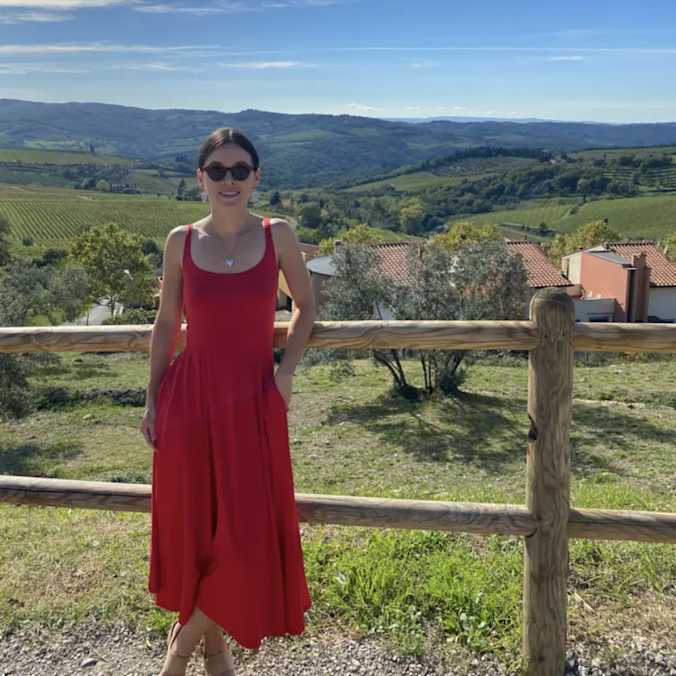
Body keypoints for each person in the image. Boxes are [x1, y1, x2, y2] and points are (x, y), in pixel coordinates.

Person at [140, 127, 316, 675]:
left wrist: (285, 373)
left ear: (256, 177)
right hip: (189, 401)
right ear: (201, 178)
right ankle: (215, 653)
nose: (229, 179)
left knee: (245, 531)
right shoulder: (180, 240)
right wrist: (152, 400)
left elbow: (306, 306)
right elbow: (166, 323)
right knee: (200, 529)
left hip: (253, 402)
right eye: (217, 170)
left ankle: (180, 650)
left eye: (240, 170)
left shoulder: (277, 234)